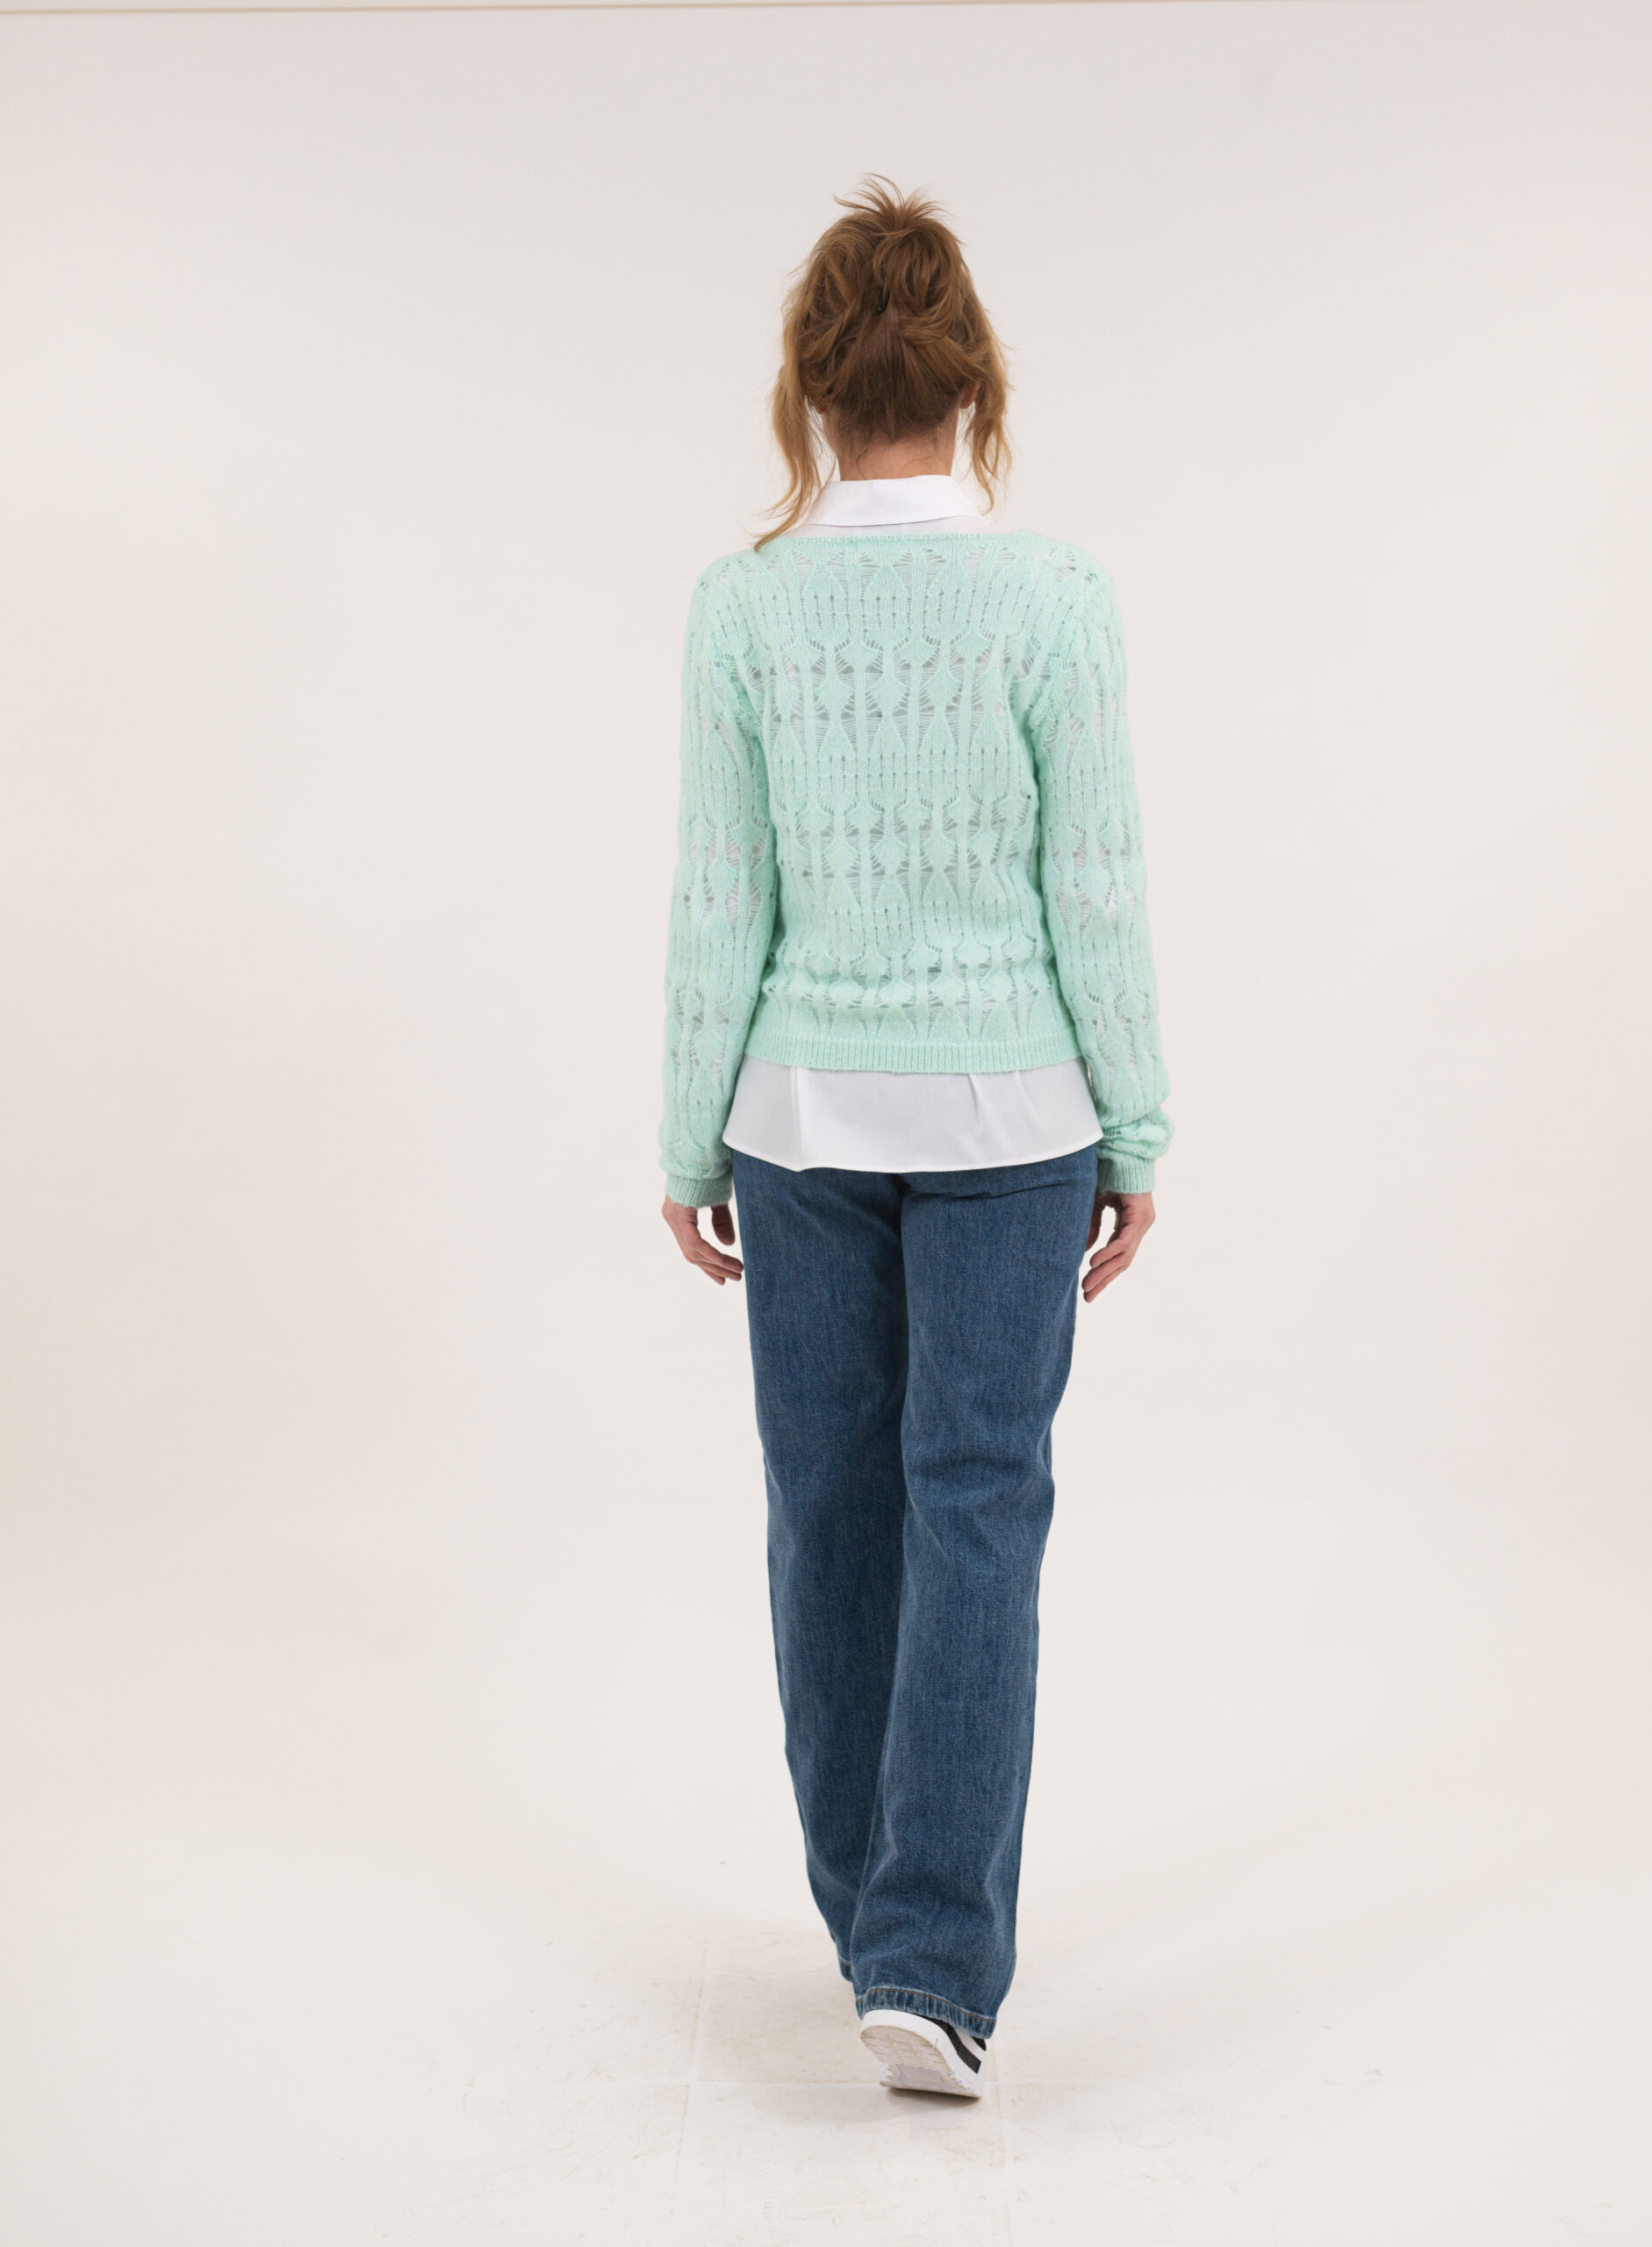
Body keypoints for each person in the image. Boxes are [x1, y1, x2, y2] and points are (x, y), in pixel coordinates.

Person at [657, 179, 1172, 2098]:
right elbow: (1090, 885)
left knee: (826, 1505)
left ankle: (870, 1916)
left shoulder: (742, 608)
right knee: (975, 1505)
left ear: (810, 389)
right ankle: (928, 1958)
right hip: (1012, 1116)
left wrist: (686, 1138)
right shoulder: (1053, 598)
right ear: (975, 385)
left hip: (797, 1120)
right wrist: (1133, 1123)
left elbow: (722, 897)